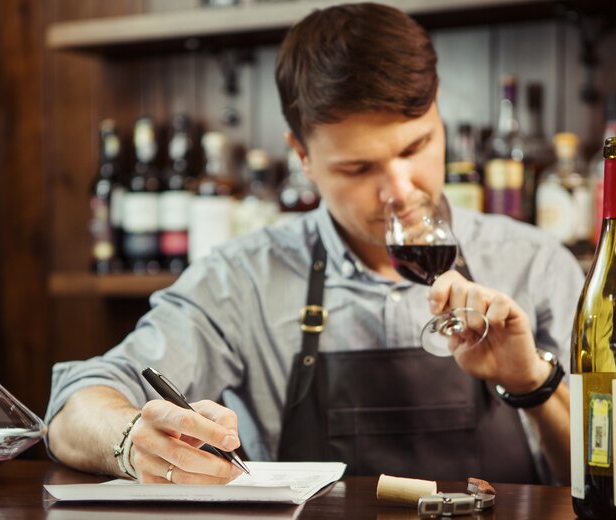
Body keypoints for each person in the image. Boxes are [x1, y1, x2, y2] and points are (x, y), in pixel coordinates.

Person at [46, 2, 582, 486]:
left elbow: (611, 476)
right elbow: (75, 404)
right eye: (358, 166)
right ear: (301, 155)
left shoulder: (536, 265)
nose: (400, 190)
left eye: (417, 145)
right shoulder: (241, 278)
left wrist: (532, 382)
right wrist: (130, 438)